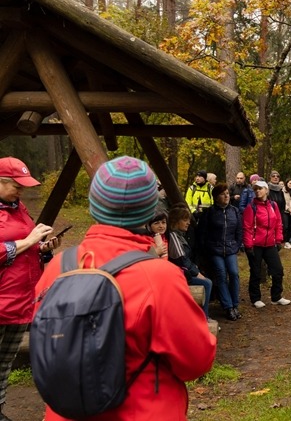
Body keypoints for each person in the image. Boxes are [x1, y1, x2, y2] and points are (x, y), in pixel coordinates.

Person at [33, 156, 215, 421]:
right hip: (141, 412)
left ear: (93, 206)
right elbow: (196, 360)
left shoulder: (58, 267)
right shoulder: (160, 276)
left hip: (65, 413)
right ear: (149, 211)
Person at [0, 158, 60, 421]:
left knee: (4, 363)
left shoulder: (19, 208)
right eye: (16, 185)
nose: (21, 191)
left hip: (21, 300)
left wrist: (41, 247)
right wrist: (28, 240)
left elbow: (24, 246)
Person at [242, 180, 291, 308]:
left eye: (260, 189)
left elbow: (278, 223)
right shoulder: (251, 207)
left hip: (270, 244)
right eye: (255, 189)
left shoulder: (273, 206)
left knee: (278, 270)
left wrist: (278, 240)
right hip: (255, 245)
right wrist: (248, 246)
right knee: (256, 272)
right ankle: (255, 298)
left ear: (266, 190)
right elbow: (247, 228)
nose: (257, 191)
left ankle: (276, 296)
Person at [199, 183, 243, 321]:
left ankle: (235, 304)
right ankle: (228, 306)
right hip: (215, 249)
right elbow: (203, 233)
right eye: (223, 194)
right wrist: (207, 248)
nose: (226, 196)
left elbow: (239, 231)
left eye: (227, 194)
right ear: (216, 197)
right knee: (221, 275)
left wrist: (236, 246)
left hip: (230, 248)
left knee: (234, 274)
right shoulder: (210, 213)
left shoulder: (234, 211)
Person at [167, 206, 213, 320]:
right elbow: (181, 259)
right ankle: (203, 317)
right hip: (179, 275)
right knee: (207, 283)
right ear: (176, 221)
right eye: (185, 220)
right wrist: (196, 273)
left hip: (184, 272)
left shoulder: (180, 236)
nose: (188, 223)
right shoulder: (174, 236)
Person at [267, 170, 289, 249]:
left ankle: (277, 244)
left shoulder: (280, 191)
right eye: (273, 176)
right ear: (270, 178)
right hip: (268, 214)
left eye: (277, 176)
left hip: (279, 213)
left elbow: (283, 203)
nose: (275, 177)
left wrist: (281, 214)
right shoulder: (267, 189)